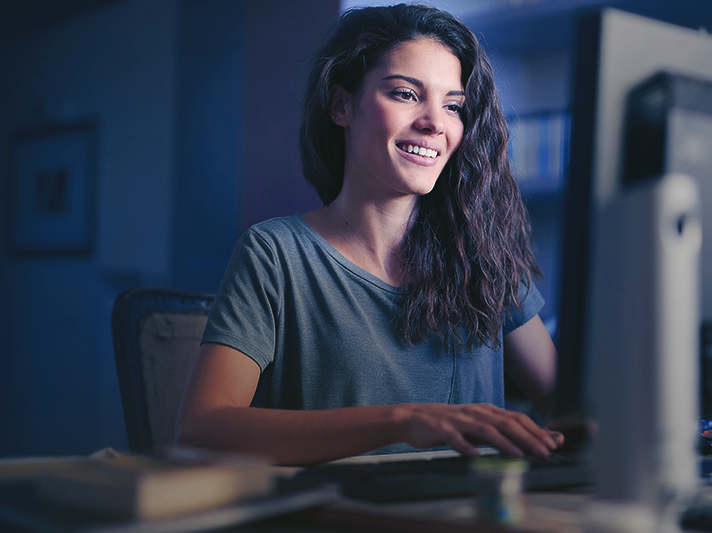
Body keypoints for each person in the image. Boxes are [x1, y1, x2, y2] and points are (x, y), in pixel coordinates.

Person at [176, 3, 563, 466]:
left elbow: (573, 410)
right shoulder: (275, 254)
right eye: (404, 94)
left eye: (453, 105)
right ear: (342, 105)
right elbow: (203, 427)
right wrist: (401, 420)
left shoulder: (484, 255)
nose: (435, 123)